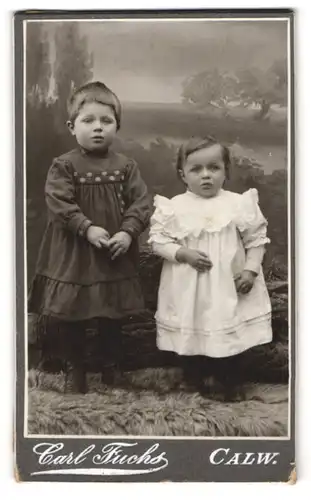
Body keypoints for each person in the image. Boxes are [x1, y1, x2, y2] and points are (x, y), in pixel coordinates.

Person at [29, 81, 151, 393]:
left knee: (112, 313)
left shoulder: (126, 166)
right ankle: (75, 370)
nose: (98, 128)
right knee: (72, 314)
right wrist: (87, 227)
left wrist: (127, 232)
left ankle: (111, 369)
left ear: (117, 126)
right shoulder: (65, 165)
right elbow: (59, 203)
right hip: (74, 252)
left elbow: (140, 203)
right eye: (89, 120)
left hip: (113, 252)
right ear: (72, 126)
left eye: (106, 121)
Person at [149, 136, 272, 401]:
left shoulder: (238, 203)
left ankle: (228, 382)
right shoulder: (174, 207)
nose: (206, 176)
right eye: (196, 169)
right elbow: (158, 242)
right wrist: (182, 253)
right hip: (188, 286)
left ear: (225, 171)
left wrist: (250, 270)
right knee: (191, 328)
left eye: (214, 168)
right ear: (183, 174)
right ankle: (193, 379)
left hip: (227, 284)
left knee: (228, 328)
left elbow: (256, 240)